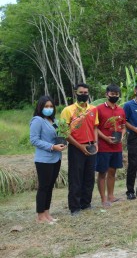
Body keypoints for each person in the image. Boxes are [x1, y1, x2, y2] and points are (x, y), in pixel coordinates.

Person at [60, 83, 99, 215]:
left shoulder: (93, 109)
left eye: (86, 92)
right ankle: (75, 207)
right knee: (75, 177)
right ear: (76, 93)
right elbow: (64, 132)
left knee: (89, 176)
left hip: (91, 146)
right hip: (76, 148)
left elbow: (95, 127)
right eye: (81, 92)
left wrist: (96, 143)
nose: (84, 95)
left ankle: (86, 203)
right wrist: (79, 146)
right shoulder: (68, 110)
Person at [30, 95, 66, 224]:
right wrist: (52, 146)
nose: (49, 109)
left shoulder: (54, 120)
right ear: (40, 107)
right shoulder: (37, 120)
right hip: (44, 159)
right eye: (46, 106)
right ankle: (40, 216)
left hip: (56, 158)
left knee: (50, 186)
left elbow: (59, 135)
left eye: (51, 106)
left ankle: (47, 213)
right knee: (44, 186)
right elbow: (34, 139)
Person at [96, 84, 126, 207]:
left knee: (113, 171)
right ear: (106, 94)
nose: (114, 96)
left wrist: (122, 136)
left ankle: (111, 196)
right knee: (102, 172)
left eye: (116, 94)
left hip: (116, 147)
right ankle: (103, 199)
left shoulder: (120, 110)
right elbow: (95, 128)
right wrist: (105, 138)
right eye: (112, 94)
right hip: (103, 146)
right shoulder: (99, 109)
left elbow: (123, 126)